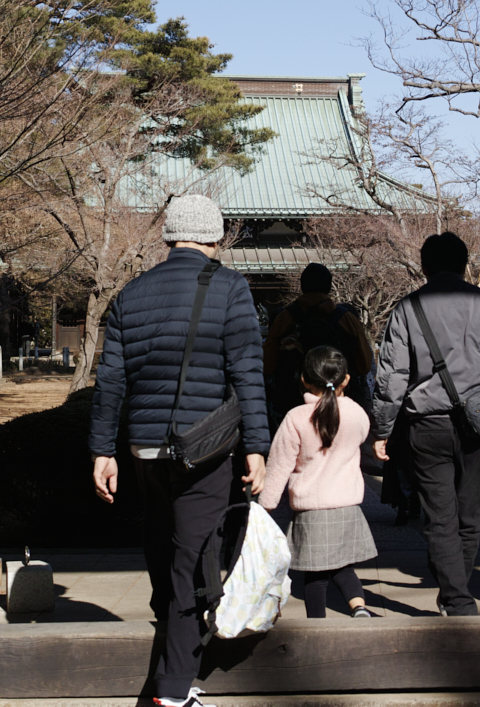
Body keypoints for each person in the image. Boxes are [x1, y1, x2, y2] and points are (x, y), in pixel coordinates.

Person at [89, 194, 269, 707]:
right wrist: (256, 446)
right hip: (205, 449)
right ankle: (173, 689)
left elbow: (110, 382)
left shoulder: (132, 293)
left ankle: (171, 637)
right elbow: (247, 376)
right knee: (195, 556)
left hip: (145, 450)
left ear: (170, 236)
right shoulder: (231, 288)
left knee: (161, 542)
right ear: (215, 237)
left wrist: (102, 450)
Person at [372, 232, 480, 616]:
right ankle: (456, 594)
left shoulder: (407, 309)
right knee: (469, 515)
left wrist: (382, 428)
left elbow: (392, 376)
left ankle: (456, 596)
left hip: (426, 425)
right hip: (479, 424)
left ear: (423, 265)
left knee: (439, 516)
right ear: (465, 264)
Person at [259, 346, 378, 618]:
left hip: (311, 509)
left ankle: (318, 623)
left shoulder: (296, 418)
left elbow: (279, 466)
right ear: (345, 380)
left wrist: (265, 505)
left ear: (303, 379)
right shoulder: (357, 413)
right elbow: (360, 439)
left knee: (315, 576)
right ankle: (358, 607)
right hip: (347, 507)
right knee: (343, 567)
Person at [263, 263, 374, 421]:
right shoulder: (347, 319)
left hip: (294, 402)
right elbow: (364, 366)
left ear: (302, 286)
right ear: (329, 287)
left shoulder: (284, 319)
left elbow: (268, 365)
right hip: (338, 404)